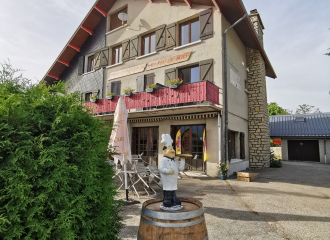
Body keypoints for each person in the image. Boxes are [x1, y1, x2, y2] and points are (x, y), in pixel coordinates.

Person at [159, 134, 185, 209]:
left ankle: (174, 198)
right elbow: (161, 169)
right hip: (167, 179)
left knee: (173, 188)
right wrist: (169, 171)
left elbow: (180, 168)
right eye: (170, 149)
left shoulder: (175, 160)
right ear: (164, 151)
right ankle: (167, 199)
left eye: (172, 149)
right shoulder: (163, 160)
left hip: (174, 179)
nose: (172, 151)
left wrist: (182, 160)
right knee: (168, 189)